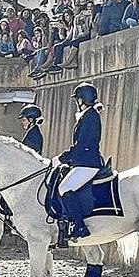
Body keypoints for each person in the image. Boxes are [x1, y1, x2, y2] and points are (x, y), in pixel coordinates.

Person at [53, 82, 104, 248]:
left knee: (64, 188)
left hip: (88, 163)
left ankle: (80, 227)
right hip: (83, 161)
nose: (77, 102)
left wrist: (63, 158)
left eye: (78, 99)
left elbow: (83, 145)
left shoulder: (90, 117)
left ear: (84, 100)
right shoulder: (88, 115)